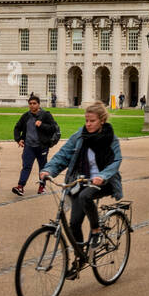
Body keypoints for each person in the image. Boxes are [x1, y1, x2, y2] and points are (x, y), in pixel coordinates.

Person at [41, 102, 123, 274]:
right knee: (73, 224)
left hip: (104, 181)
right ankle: (80, 258)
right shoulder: (80, 136)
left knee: (85, 196)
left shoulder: (110, 137)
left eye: (92, 121)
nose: (88, 124)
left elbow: (116, 161)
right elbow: (63, 155)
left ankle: (96, 231)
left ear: (101, 120)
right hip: (81, 180)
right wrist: (49, 170)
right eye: (86, 120)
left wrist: (102, 176)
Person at [12, 94, 60, 196]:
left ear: (38, 104)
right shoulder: (26, 116)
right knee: (26, 166)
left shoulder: (46, 115)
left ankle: (42, 187)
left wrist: (41, 125)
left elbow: (53, 128)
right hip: (29, 146)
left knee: (42, 168)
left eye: (34, 103)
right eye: (30, 104)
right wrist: (18, 139)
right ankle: (20, 187)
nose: (32, 105)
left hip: (42, 146)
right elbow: (17, 128)